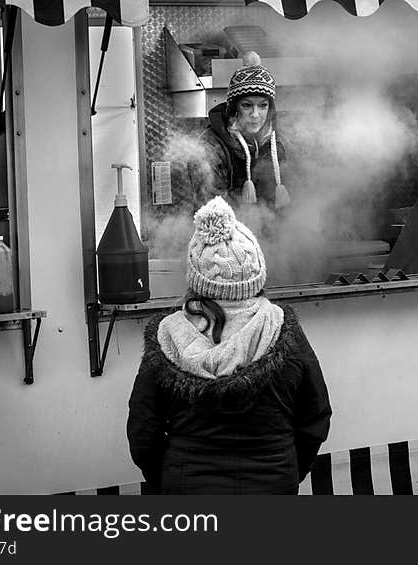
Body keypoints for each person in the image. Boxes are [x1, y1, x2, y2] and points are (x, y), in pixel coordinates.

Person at [127, 195, 331, 494]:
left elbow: (143, 429)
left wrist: (169, 478)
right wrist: (287, 470)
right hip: (272, 485)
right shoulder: (281, 329)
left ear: (196, 278)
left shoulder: (167, 335)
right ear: (255, 272)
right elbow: (315, 416)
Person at [175, 51, 291, 214]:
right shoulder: (210, 147)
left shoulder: (277, 142)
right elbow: (210, 212)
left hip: (271, 233)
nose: (255, 114)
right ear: (234, 108)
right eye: (247, 105)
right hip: (226, 233)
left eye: (263, 105)